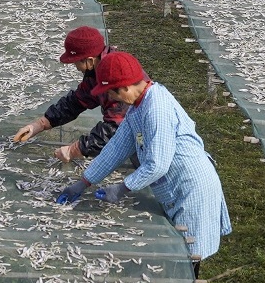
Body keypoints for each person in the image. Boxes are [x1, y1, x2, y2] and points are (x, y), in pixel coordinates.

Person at [56, 52, 231, 263]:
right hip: (174, 187)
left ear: (126, 88)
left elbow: (158, 164)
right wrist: (84, 182)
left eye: (112, 93)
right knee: (178, 250)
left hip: (192, 187)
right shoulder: (137, 106)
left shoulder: (156, 107)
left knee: (188, 255)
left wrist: (121, 188)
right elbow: (116, 148)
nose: (111, 98)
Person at [9, 26, 128, 163]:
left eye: (76, 62)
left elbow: (116, 128)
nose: (76, 67)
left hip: (145, 138)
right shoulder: (97, 70)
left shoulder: (114, 79)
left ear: (89, 61)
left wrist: (75, 150)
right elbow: (77, 101)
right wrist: (40, 124)